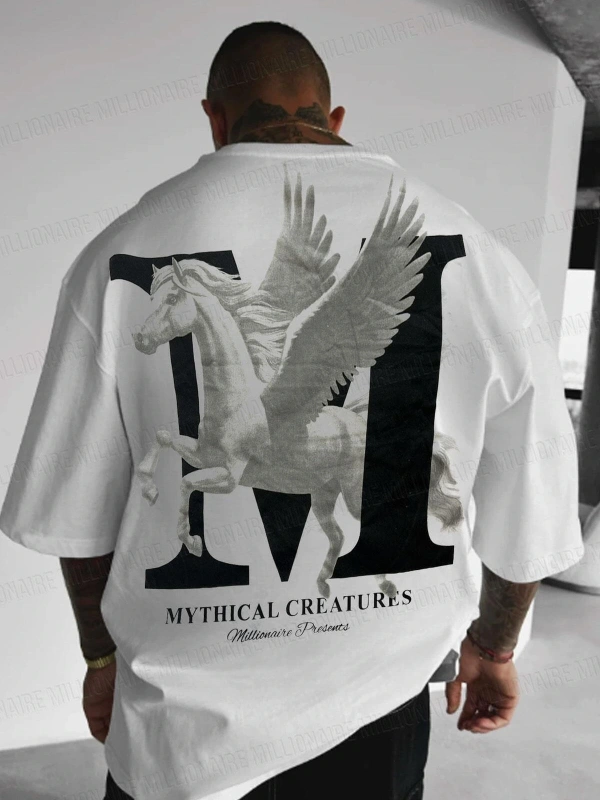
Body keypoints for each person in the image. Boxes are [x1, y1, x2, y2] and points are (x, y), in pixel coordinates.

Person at [0, 20, 584, 800]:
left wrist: (100, 660)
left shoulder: (115, 255)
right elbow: (533, 505)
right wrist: (495, 646)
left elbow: (75, 519)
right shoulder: (484, 256)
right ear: (334, 117)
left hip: (182, 732)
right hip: (379, 700)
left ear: (214, 118)